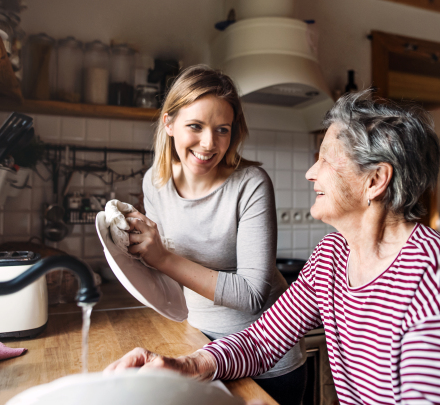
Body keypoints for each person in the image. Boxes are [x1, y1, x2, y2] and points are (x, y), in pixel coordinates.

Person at [107, 90, 440, 405]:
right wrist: (187, 365)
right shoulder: (332, 255)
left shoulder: (433, 272)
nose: (311, 172)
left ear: (375, 181)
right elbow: (262, 339)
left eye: (326, 160)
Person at [118, 65, 307, 404]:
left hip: (267, 359)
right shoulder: (155, 183)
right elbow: (167, 276)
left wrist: (161, 255)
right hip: (199, 344)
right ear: (169, 123)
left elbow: (251, 295)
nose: (209, 143)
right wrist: (132, 247)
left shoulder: (251, 185)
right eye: (195, 126)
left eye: (222, 129)